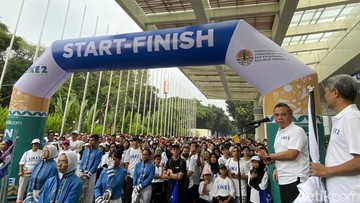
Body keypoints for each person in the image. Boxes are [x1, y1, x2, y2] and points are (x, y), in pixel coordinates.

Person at [310, 74, 360, 203]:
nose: (325, 96)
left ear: (335, 92)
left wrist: (327, 171)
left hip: (350, 194)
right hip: (342, 192)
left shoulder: (351, 118)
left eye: (326, 92)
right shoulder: (343, 119)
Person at [254, 102, 309, 203]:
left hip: (295, 179)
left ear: (291, 115)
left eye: (283, 114)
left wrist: (268, 156)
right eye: (276, 115)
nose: (280, 117)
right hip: (283, 178)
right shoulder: (279, 132)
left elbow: (292, 154)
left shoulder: (297, 131)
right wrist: (275, 166)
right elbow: (280, 155)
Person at [78, 134, 103, 203]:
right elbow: (82, 161)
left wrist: (89, 173)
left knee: (89, 191)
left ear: (97, 141)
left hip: (91, 174)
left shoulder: (99, 152)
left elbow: (95, 164)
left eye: (92, 140)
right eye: (90, 140)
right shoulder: (85, 151)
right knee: (80, 191)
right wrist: (80, 170)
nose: (90, 142)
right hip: (82, 172)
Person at [17, 138, 42, 203]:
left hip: (36, 173)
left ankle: (32, 200)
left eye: (37, 144)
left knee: (34, 188)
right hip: (26, 172)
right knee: (22, 187)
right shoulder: (27, 153)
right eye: (34, 144)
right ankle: (19, 200)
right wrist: (21, 171)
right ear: (32, 145)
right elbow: (22, 163)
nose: (35, 145)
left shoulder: (41, 152)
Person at [124, 136, 142, 203]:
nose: (135, 142)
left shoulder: (140, 150)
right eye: (134, 141)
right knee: (128, 192)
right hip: (130, 174)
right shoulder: (129, 150)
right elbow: (126, 162)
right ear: (132, 142)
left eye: (137, 141)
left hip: (138, 174)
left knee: (137, 192)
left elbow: (142, 160)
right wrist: (126, 173)